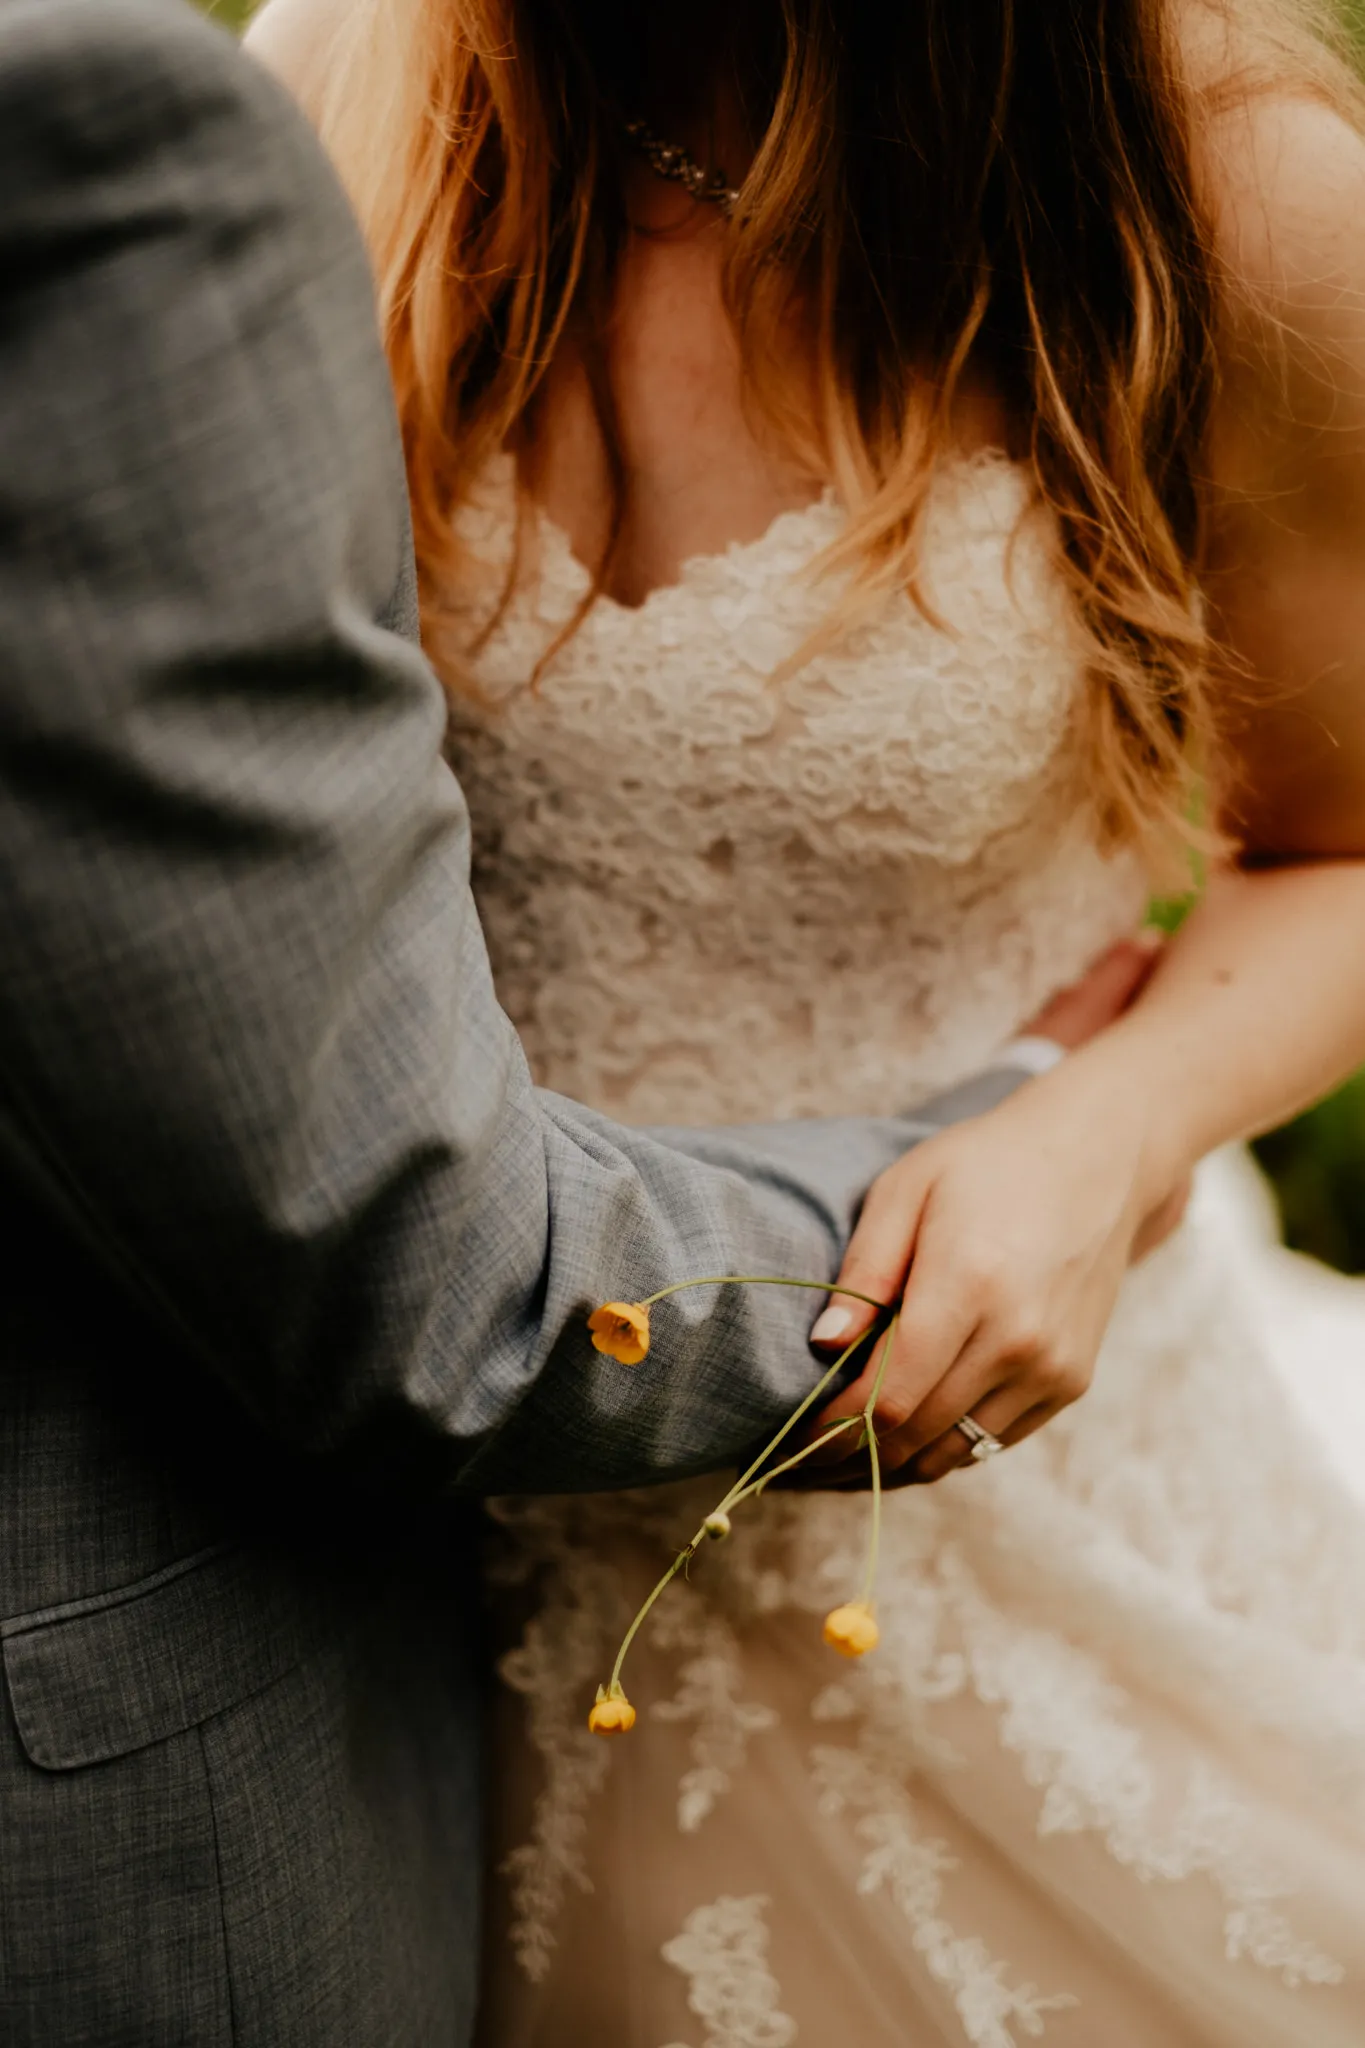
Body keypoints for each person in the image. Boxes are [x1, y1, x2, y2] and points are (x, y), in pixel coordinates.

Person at [0, 3, 1149, 2043]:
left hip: (1003, 1513)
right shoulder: (294, 101)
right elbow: (417, 1270)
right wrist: (1021, 1132)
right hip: (453, 1515)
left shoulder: (1186, 162)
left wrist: (1121, 1122)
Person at [249, 0, 1365, 2040]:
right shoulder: (350, 89)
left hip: (1009, 1493)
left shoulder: (1229, 188)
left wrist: (1098, 1134)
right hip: (405, 1581)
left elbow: (1349, 846)